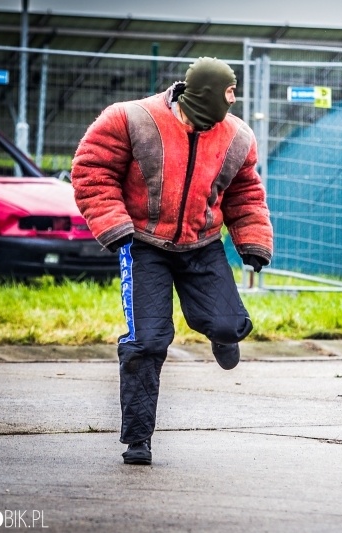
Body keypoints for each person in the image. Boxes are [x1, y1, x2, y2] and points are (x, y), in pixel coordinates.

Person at [71, 57, 273, 465]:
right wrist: (115, 224)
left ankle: (222, 333)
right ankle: (138, 440)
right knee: (147, 342)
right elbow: (92, 171)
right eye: (228, 92)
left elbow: (244, 193)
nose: (232, 101)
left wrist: (252, 239)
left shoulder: (237, 137)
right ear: (202, 93)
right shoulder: (131, 119)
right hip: (144, 243)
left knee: (229, 324)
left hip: (202, 245)